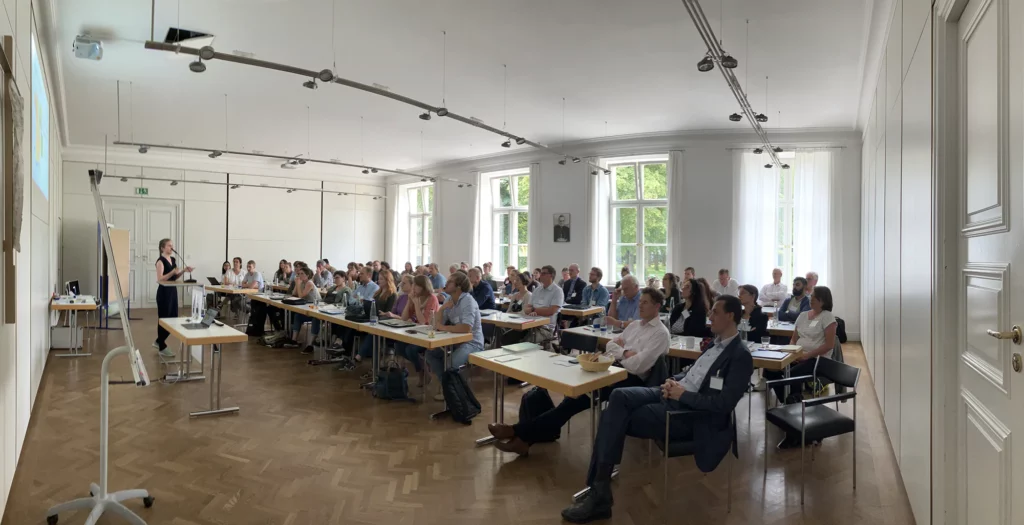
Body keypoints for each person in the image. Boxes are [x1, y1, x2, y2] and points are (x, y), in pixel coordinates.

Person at [560, 295, 754, 523]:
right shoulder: (714, 344)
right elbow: (693, 374)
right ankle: (600, 492)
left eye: (715, 312)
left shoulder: (740, 356)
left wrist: (683, 394)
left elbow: (723, 405)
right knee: (618, 396)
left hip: (690, 414)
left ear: (730, 316)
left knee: (611, 416)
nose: (709, 317)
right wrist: (674, 380)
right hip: (672, 393)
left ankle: (599, 493)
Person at [488, 288, 670, 456]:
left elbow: (638, 366)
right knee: (571, 399)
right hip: (613, 369)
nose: (640, 305)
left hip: (633, 381)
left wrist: (621, 353)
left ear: (657, 306)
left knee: (574, 402)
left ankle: (516, 432)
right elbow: (610, 345)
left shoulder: (661, 334)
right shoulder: (634, 326)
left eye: (645, 302)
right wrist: (626, 353)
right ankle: (523, 438)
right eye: (640, 301)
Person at [764, 286, 838, 444]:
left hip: (818, 360)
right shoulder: (803, 315)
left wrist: (807, 356)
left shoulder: (827, 317)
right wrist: (792, 352)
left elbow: (829, 345)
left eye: (814, 297)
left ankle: (794, 414)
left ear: (822, 301)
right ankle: (791, 406)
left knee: (792, 375)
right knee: (770, 370)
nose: (811, 299)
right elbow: (794, 338)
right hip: (798, 355)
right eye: (811, 296)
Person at [428, 272, 485, 399]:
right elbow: (436, 324)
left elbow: (466, 328)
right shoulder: (449, 299)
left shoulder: (468, 301)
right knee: (431, 353)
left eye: (450, 282)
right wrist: (442, 308)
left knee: (450, 363)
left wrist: (443, 328)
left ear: (458, 287)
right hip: (456, 340)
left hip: (472, 342)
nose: (446, 284)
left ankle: (452, 393)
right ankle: (448, 388)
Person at [393, 275, 440, 385]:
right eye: (413, 285)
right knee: (399, 346)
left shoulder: (432, 298)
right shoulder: (416, 297)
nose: (413, 288)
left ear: (423, 287)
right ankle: (423, 369)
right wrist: (409, 301)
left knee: (411, 349)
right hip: (417, 332)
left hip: (429, 334)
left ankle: (422, 372)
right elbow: (404, 318)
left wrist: (417, 305)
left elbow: (424, 322)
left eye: (416, 286)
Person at [154, 238, 193, 358]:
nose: (172, 247)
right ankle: (162, 346)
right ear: (162, 248)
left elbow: (174, 277)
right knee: (164, 319)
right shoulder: (160, 261)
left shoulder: (173, 260)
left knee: (173, 317)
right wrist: (172, 272)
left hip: (172, 291)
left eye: (172, 245)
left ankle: (158, 341)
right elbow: (160, 279)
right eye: (169, 245)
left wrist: (184, 271)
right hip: (164, 293)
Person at [355, 271, 398, 362]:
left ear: (387, 280)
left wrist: (382, 313)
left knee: (373, 333)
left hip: (384, 320)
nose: (379, 281)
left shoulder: (392, 294)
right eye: (379, 279)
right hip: (374, 317)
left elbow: (389, 312)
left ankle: (360, 355)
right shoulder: (378, 292)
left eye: (381, 279)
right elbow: (372, 305)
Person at [524, 265, 564, 342]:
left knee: (527, 341)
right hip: (530, 325)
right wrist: (534, 310)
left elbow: (550, 311)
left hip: (546, 329)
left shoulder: (557, 291)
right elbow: (526, 309)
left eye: (544, 273)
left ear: (551, 275)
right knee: (509, 337)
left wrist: (533, 310)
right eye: (541, 273)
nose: (541, 275)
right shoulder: (537, 290)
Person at [288, 267, 323, 355]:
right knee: (297, 316)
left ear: (307, 275)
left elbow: (301, 296)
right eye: (299, 274)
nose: (299, 275)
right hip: (307, 307)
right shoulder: (302, 283)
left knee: (315, 319)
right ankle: (294, 340)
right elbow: (294, 294)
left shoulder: (309, 283)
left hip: (316, 308)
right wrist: (297, 284)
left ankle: (310, 345)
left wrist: (298, 284)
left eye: (302, 274)